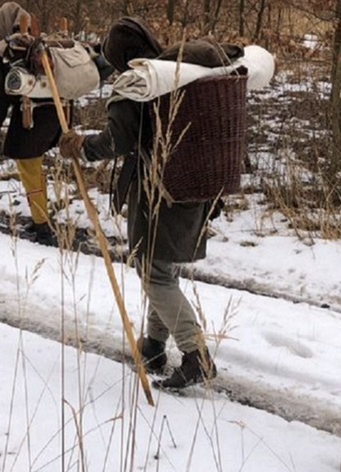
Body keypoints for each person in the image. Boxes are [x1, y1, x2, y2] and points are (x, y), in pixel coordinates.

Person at [58, 17, 219, 389]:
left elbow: (120, 141)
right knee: (161, 266)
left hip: (157, 190)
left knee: (153, 271)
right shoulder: (177, 72)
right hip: (193, 186)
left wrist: (82, 146)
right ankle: (154, 345)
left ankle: (197, 356)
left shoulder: (138, 83)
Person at [0, 2, 60, 245]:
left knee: (29, 171)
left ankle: (42, 227)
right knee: (36, 169)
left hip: (30, 119)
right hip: (56, 116)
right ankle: (43, 216)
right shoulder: (42, 43)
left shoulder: (6, 49)